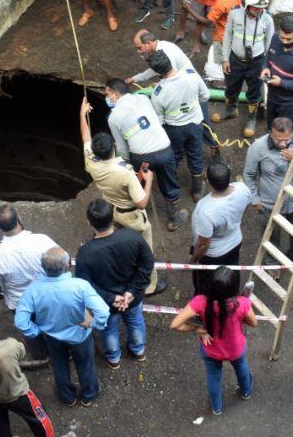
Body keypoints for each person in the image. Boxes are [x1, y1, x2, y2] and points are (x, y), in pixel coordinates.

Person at [79, 96, 168, 295]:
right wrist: (149, 181)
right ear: (114, 147)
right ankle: (149, 286)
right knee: (145, 250)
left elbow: (85, 137)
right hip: (132, 216)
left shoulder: (90, 162)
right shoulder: (125, 172)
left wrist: (81, 114)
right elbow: (142, 203)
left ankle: (126, 273)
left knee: (121, 245)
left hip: (111, 212)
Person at [14, 248, 110, 407]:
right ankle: (89, 396)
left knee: (59, 367)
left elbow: (21, 322)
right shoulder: (80, 286)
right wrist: (93, 324)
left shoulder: (33, 289)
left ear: (43, 267)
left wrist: (38, 330)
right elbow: (103, 312)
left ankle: (67, 397)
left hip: (53, 338)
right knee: (85, 366)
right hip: (80, 337)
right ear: (68, 265)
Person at [0, 311, 65, 437]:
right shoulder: (10, 345)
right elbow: (21, 354)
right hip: (19, 394)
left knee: (1, 430)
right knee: (38, 420)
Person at [75, 199, 155, 368]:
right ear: (112, 217)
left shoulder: (85, 253)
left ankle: (113, 359)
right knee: (135, 321)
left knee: (109, 329)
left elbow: (85, 284)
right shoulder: (132, 237)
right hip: (133, 297)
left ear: (89, 222)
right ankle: (138, 350)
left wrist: (112, 298)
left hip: (105, 302)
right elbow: (147, 263)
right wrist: (131, 291)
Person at [168, 266, 256, 416]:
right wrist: (244, 306)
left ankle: (217, 408)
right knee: (241, 368)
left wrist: (197, 329)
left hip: (210, 349)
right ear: (235, 287)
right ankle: (246, 392)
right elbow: (253, 323)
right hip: (235, 348)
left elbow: (174, 324)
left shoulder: (200, 302)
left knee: (213, 377)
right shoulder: (241, 303)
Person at [103, 77, 188, 232]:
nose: (107, 98)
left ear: (115, 94)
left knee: (137, 184)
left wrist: (127, 165)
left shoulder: (113, 117)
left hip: (142, 157)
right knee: (169, 182)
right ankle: (173, 218)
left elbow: (122, 148)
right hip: (164, 150)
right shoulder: (143, 98)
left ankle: (137, 215)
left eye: (107, 94)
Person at [0, 204, 58, 367]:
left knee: (31, 332)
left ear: (0, 227)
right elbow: (62, 259)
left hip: (20, 303)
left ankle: (42, 356)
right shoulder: (41, 240)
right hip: (48, 296)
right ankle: (61, 350)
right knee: (54, 323)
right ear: (19, 220)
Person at [245, 117, 293, 270]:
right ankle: (272, 265)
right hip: (270, 203)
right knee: (271, 236)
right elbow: (249, 175)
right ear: (270, 132)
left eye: (287, 139)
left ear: (292, 133)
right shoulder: (258, 147)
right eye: (278, 140)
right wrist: (255, 199)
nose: (283, 143)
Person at [210, 0, 270, 139]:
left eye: (261, 8)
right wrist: (225, 59)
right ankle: (231, 110)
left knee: (254, 92)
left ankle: (251, 119)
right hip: (235, 60)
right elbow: (227, 36)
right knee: (231, 87)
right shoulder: (234, 14)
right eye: (255, 7)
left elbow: (269, 44)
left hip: (256, 63)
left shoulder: (267, 19)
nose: (259, 10)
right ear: (246, 4)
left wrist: (266, 65)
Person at [148, 50, 210, 200]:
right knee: (196, 155)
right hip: (195, 124)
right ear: (170, 61)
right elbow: (206, 96)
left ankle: (173, 187)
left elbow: (160, 120)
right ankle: (196, 192)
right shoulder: (191, 75)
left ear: (157, 72)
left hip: (174, 130)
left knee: (174, 156)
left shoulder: (157, 93)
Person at [189, 161, 251, 295]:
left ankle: (205, 307)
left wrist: (193, 260)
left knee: (206, 283)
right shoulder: (242, 189)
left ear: (209, 183)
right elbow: (245, 207)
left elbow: (203, 245)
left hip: (213, 253)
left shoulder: (204, 210)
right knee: (232, 271)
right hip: (235, 241)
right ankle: (232, 296)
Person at [126, 29, 193, 86]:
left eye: (140, 48)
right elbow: (155, 69)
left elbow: (173, 79)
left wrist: (159, 85)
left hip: (187, 82)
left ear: (148, 43)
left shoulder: (165, 53)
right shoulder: (159, 49)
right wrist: (133, 79)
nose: (138, 51)